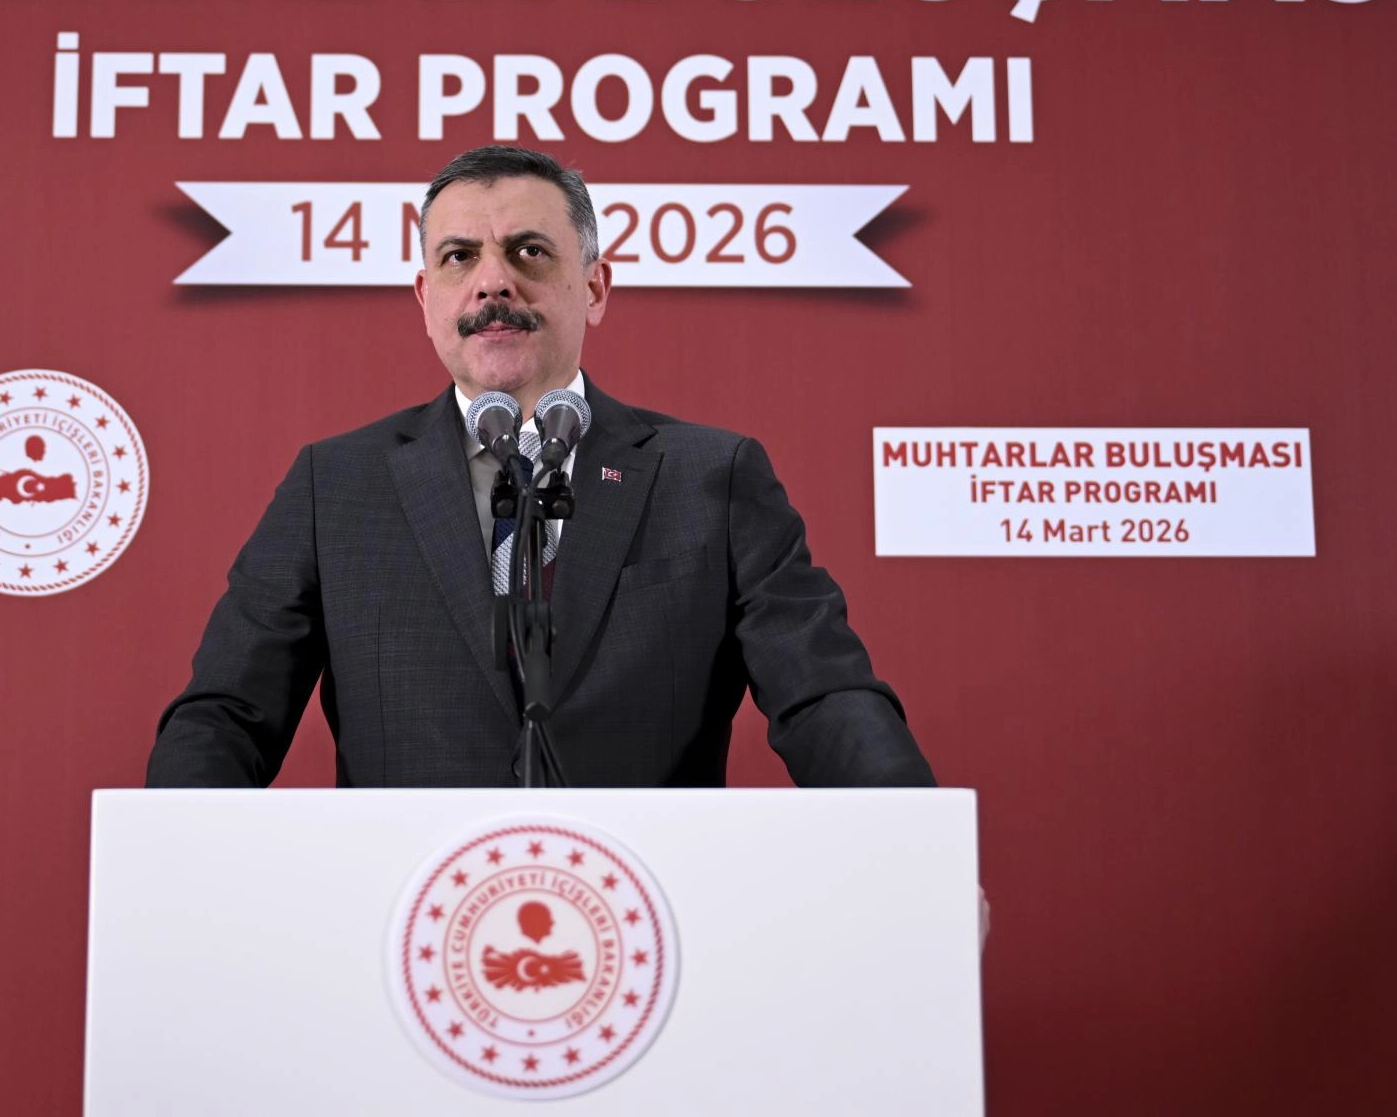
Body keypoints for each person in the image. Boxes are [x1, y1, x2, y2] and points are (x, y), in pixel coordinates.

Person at [146, 145, 935, 789]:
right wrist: (173, 872)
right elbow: (226, 718)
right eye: (459, 257)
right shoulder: (337, 486)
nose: (493, 280)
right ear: (426, 298)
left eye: (529, 250)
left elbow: (825, 699)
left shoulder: (711, 478)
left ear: (594, 286)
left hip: (645, 911)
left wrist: (920, 858)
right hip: (407, 916)